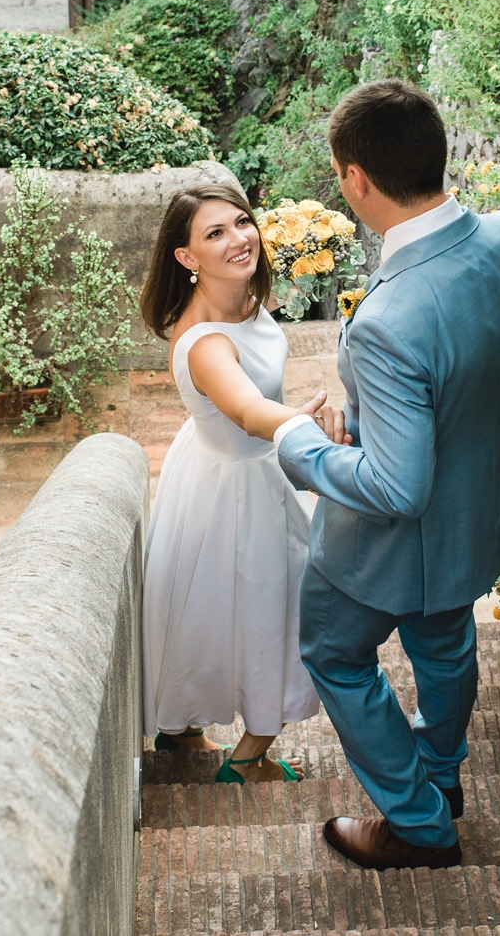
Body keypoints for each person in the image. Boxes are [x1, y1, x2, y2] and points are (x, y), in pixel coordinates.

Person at [274, 80, 500, 870]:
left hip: (381, 549)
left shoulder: (389, 320)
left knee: (335, 653)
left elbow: (398, 488)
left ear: (356, 179)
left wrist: (303, 444)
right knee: (447, 641)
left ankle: (421, 823)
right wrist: (370, 422)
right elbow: (467, 367)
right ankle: (442, 772)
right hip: (475, 509)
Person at [137, 183, 341, 783]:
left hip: (217, 466)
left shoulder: (243, 300)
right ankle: (248, 759)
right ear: (186, 257)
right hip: (238, 486)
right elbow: (250, 410)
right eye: (215, 233)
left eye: (241, 222)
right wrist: (299, 425)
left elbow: (258, 401)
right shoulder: (205, 343)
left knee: (208, 607)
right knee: (278, 610)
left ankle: (181, 733)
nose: (239, 239)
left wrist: (288, 417)